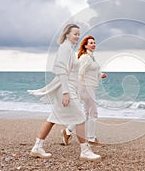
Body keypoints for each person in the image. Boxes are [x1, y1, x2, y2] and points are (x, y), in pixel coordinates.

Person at [28, 24, 101, 160]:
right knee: (80, 117)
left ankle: (37, 147)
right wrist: (66, 93)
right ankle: (84, 151)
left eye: (79, 34)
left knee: (52, 118)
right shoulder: (65, 48)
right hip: (65, 89)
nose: (77, 36)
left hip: (68, 88)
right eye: (75, 34)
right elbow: (61, 71)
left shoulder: (69, 49)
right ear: (67, 34)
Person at [61, 35, 106, 146]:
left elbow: (91, 72)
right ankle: (91, 139)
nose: (93, 44)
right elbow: (79, 73)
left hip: (91, 87)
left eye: (94, 42)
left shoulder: (91, 57)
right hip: (85, 87)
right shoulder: (85, 57)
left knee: (86, 114)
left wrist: (100, 75)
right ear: (85, 45)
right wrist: (77, 88)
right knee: (93, 113)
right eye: (91, 43)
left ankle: (67, 131)